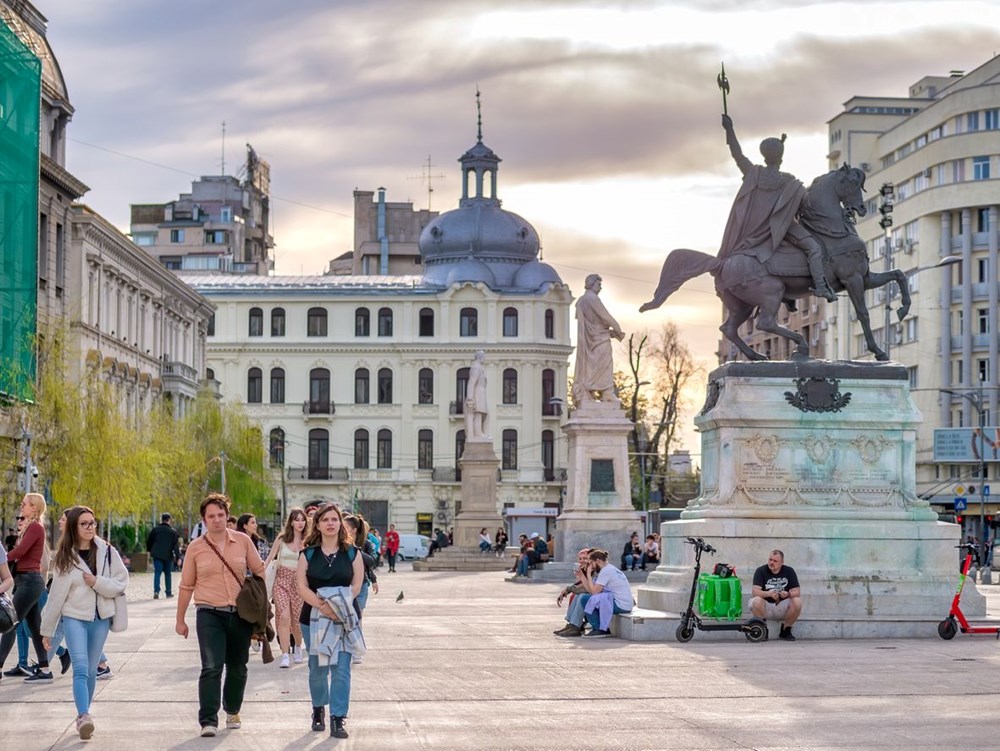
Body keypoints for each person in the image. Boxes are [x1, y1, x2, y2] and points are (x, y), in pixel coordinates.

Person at [719, 114, 837, 303]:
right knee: (814, 248)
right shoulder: (788, 180)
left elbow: (737, 155)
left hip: (758, 231)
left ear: (764, 156)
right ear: (780, 157)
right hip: (784, 228)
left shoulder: (754, 172)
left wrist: (729, 130)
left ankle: (788, 297)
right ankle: (821, 287)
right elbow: (805, 206)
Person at [175, 493, 265, 737]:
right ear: (204, 520)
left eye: (221, 515)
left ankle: (232, 709)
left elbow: (259, 571)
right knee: (211, 666)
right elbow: (186, 586)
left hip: (239, 614)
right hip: (208, 613)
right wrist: (180, 619)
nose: (216, 520)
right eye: (211, 516)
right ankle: (208, 720)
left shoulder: (243, 541)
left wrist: (259, 603)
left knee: (238, 666)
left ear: (227, 516)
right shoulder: (195, 548)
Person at [40, 505, 128, 740]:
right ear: (74, 527)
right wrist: (47, 631)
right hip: (74, 619)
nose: (91, 527)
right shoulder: (64, 557)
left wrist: (97, 582)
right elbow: (56, 597)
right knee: (80, 667)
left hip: (100, 619)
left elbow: (121, 582)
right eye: (85, 524)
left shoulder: (108, 552)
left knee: (91, 669)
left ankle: (84, 714)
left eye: (93, 523)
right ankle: (83, 715)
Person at [296, 503, 364, 739]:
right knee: (317, 668)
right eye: (325, 519)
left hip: (345, 617)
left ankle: (338, 718)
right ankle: (318, 710)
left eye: (335, 519)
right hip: (313, 618)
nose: (331, 523)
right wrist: (323, 606)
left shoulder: (352, 552)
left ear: (340, 523)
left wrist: (338, 608)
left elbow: (356, 585)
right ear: (318, 524)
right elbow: (301, 586)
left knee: (341, 669)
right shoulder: (308, 554)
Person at [0, 493, 52, 681]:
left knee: (10, 623)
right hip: (28, 581)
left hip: (30, 582)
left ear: (34, 508)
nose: (21, 506)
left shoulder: (35, 528)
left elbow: (21, 551)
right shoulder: (31, 528)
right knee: (35, 626)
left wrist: (2, 557)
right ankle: (45, 669)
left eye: (25, 504)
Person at [263, 507, 307, 668]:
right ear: (291, 522)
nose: (300, 523)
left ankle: (297, 647)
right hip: (281, 580)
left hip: (299, 583)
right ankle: (284, 654)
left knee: (297, 621)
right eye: (297, 519)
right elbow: (269, 557)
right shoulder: (282, 539)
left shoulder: (308, 540)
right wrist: (261, 572)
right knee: (284, 616)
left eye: (302, 520)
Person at [572, 274, 625, 405]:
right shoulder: (592, 298)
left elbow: (587, 321)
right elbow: (605, 316)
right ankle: (607, 393)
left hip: (591, 339)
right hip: (599, 339)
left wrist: (607, 331)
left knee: (590, 366)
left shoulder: (581, 301)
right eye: (599, 284)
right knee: (606, 364)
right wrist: (617, 328)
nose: (600, 287)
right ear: (591, 284)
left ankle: (587, 392)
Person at [750, 549, 802, 641]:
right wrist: (768, 594)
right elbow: (755, 592)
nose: (771, 563)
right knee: (756, 600)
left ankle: (786, 630)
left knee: (797, 601)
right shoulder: (761, 570)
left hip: (783, 606)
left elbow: (797, 591)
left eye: (775, 561)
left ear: (782, 562)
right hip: (766, 606)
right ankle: (763, 629)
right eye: (770, 560)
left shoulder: (789, 571)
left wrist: (788, 594)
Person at [553, 548, 592, 636]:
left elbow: (587, 589)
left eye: (585, 558)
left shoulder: (592, 570)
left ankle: (575, 626)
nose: (582, 561)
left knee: (581, 595)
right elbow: (580, 585)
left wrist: (569, 589)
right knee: (576, 595)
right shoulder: (585, 570)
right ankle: (571, 624)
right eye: (580, 559)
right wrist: (569, 589)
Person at [147, 512, 180, 599]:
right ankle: (168, 592)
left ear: (162, 520)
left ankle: (156, 591)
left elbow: (149, 541)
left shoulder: (155, 530)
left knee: (157, 572)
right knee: (168, 574)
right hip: (168, 555)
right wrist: (178, 557)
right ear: (169, 520)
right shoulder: (173, 532)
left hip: (157, 554)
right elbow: (175, 546)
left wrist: (149, 550)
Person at [464, 350, 490, 439]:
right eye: (484, 357)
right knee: (478, 413)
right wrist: (470, 398)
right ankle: (478, 434)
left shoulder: (479, 368)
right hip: (477, 392)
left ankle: (479, 432)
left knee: (481, 414)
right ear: (480, 357)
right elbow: (471, 382)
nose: (485, 359)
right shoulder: (476, 367)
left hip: (480, 392)